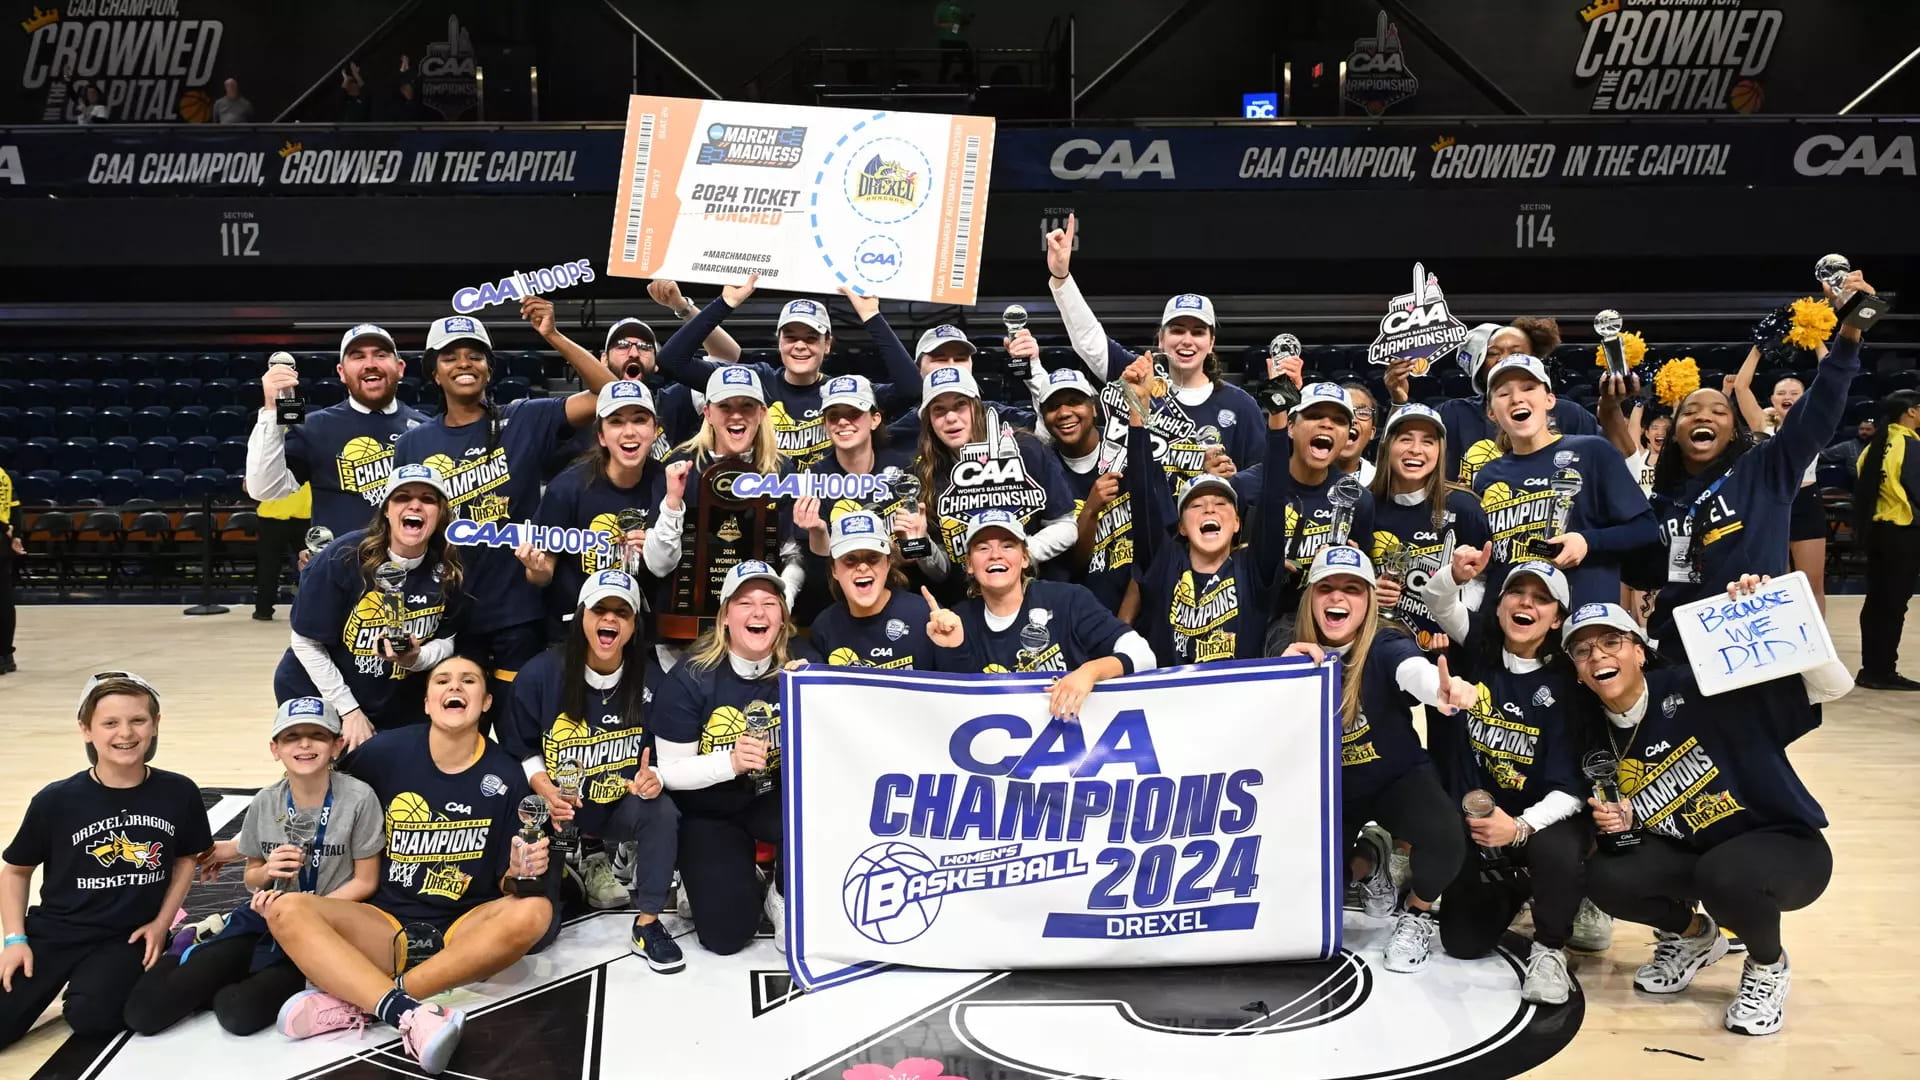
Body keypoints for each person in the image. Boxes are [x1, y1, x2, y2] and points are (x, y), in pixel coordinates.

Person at [269, 654, 556, 1075]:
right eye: (442, 680)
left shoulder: (507, 775)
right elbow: (314, 794)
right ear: (426, 702)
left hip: (462, 929)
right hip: (384, 923)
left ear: (486, 701)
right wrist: (238, 846)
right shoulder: (383, 753)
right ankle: (408, 1011)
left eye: (468, 681)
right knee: (285, 909)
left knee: (536, 911)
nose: (454, 687)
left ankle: (375, 1002)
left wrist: (516, 872)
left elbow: (508, 886)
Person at [1568, 591, 1830, 1037]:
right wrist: (1627, 821)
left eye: (1611, 642)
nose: (1597, 656)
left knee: (1725, 875)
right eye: (1582, 650)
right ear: (1576, 671)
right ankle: (1694, 937)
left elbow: (1828, 687)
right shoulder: (1589, 730)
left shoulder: (1700, 686)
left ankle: (1768, 965)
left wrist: (1772, 611)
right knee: (1606, 875)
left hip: (1785, 847)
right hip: (1698, 855)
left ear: (1640, 651)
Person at [395, 302, 614, 730]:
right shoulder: (412, 444)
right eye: (450, 356)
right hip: (449, 614)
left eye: (475, 355)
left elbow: (610, 394)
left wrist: (552, 335)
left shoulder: (525, 418)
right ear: (433, 373)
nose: (464, 363)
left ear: (490, 369)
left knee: (520, 730)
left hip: (519, 611)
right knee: (460, 731)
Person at [1629, 273, 1868, 660]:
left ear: (1733, 431)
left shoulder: (1766, 467)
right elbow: (1648, 573)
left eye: (1718, 410)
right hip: (1680, 650)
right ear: (1674, 432)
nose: (1704, 416)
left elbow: (1821, 406)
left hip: (1757, 648)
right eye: (1691, 411)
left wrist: (1851, 330)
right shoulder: (1664, 498)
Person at [123, 698, 382, 1036]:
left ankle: (238, 970)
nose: (304, 744)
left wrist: (305, 909)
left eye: (317, 735)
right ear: (275, 748)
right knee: (144, 1013)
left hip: (326, 929)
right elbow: (252, 877)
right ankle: (186, 945)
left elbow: (366, 881)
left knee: (238, 1014)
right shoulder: (266, 801)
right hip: (262, 918)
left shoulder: (359, 799)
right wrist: (267, 872)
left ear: (337, 745)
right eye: (292, 737)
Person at [1281, 547, 1475, 974]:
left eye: (1352, 589)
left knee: (1446, 838)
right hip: (1329, 788)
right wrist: (1282, 676)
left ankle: (1417, 913)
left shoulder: (1386, 641)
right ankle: (1370, 859)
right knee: (1309, 897)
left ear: (1369, 599)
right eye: (1327, 588)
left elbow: (1413, 671)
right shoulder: (1288, 642)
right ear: (1310, 597)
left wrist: (1440, 690)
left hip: (1393, 776)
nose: (1338, 597)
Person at [0, 673, 211, 1049]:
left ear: (155, 724)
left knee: (94, 1018)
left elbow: (185, 858)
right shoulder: (56, 800)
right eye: (110, 723)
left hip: (126, 936)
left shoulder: (179, 792)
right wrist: (15, 939)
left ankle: (157, 953)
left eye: (137, 720)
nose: (125, 733)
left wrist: (161, 924)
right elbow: (16, 872)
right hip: (58, 931)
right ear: (86, 730)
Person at [1420, 560, 1594, 1003]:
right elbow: (1437, 599)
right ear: (1499, 606)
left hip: (1544, 819)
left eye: (1541, 599)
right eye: (1517, 593)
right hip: (1482, 821)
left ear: (1556, 619)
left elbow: (1572, 789)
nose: (1526, 604)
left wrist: (1519, 827)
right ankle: (1519, 885)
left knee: (1555, 849)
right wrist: (1456, 574)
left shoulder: (1568, 684)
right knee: (1463, 942)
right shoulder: (1478, 646)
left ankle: (1550, 946)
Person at [504, 571, 684, 971]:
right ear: (581, 615)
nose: (610, 618)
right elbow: (521, 746)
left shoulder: (653, 679)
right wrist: (546, 789)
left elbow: (665, 751)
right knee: (537, 938)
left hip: (619, 803)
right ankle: (565, 874)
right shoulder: (541, 674)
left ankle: (648, 923)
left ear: (634, 625)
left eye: (622, 612)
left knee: (662, 811)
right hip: (556, 809)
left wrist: (654, 775)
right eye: (600, 609)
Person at [651, 561, 821, 955]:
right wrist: (729, 762)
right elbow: (670, 772)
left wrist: (814, 689)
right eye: (745, 603)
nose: (758, 612)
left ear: (782, 617)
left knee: (819, 804)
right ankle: (705, 875)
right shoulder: (691, 676)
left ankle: (781, 892)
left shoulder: (800, 663)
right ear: (725, 617)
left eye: (769, 603)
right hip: (711, 807)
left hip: (774, 799)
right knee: (726, 936)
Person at [1045, 216, 1266, 486]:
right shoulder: (1138, 380)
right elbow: (1089, 339)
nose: (1187, 340)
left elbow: (1261, 474)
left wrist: (1226, 482)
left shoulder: (1241, 405)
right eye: (1177, 330)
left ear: (1211, 343)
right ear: (1161, 339)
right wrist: (1062, 278)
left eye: (1198, 332)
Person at [273, 464, 467, 745]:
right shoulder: (340, 557)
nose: (415, 505)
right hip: (318, 688)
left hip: (392, 696)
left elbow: (447, 640)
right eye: (402, 497)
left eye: (428, 499)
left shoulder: (450, 566)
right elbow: (305, 642)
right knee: (327, 767)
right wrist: (349, 711)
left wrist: (415, 658)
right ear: (386, 510)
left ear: (441, 513)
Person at [652, 275, 918, 468]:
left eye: (811, 338)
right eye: (790, 337)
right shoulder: (756, 380)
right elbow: (672, 361)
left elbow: (912, 389)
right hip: (766, 506)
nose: (800, 345)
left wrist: (872, 317)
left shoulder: (844, 394)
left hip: (825, 508)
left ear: (827, 346)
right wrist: (725, 302)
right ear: (779, 342)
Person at [1123, 356, 1281, 664]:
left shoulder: (1253, 570)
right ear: (1181, 526)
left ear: (1237, 522)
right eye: (1196, 505)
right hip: (1169, 694)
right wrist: (1138, 409)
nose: (1209, 508)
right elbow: (1142, 492)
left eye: (1221, 503)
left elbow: (1274, 495)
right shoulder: (1163, 564)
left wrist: (1278, 413)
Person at [1472, 355, 1656, 608]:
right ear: (1491, 412)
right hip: (1514, 621)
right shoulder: (1486, 476)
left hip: (1584, 619)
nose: (1516, 398)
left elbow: (1646, 528)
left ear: (1549, 399)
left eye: (1528, 388)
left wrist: (1587, 542)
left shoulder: (1593, 452)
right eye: (1504, 393)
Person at [925, 510, 1156, 701]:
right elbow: (961, 709)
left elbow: (1144, 656)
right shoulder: (958, 621)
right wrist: (954, 649)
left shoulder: (1068, 600)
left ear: (1025, 558)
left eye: (1007, 546)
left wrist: (1091, 672)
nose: (995, 555)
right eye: (983, 548)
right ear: (969, 564)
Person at [526, 380, 689, 637]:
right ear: (601, 436)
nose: (629, 432)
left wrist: (654, 547)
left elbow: (671, 565)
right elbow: (542, 574)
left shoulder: (668, 485)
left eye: (639, 420)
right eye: (616, 422)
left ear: (655, 430)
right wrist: (536, 569)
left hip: (642, 633)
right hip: (576, 632)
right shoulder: (566, 488)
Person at [653, 366, 807, 626]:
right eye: (725, 406)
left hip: (758, 625)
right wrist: (672, 504)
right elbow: (659, 565)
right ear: (707, 413)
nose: (736, 415)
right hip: (685, 626)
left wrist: (783, 601)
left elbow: (793, 555)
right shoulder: (680, 465)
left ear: (762, 413)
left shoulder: (781, 470)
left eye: (747, 406)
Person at [246, 323, 428, 539]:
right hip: (341, 559)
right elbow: (264, 489)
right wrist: (272, 411)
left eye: (380, 355)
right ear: (341, 372)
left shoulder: (425, 429)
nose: (370, 364)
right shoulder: (314, 426)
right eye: (358, 356)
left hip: (409, 558)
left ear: (400, 367)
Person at [915, 366, 1077, 598]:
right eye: (939, 410)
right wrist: (920, 543)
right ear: (929, 420)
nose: (951, 418)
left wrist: (1019, 554)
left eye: (960, 405)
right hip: (969, 603)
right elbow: (942, 572)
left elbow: (1067, 526)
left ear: (977, 407)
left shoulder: (1025, 450)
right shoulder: (927, 473)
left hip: (1034, 595)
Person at [1384, 319, 1600, 486]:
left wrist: (1613, 409)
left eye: (1516, 352)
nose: (1504, 359)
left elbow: (1606, 469)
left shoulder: (1570, 415)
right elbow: (1397, 460)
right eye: (1493, 353)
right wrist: (1399, 401)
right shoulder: (1453, 414)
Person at [1244, 382, 1377, 651]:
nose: (1327, 424)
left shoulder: (1358, 500)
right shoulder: (1246, 487)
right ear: (1291, 427)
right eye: (1315, 416)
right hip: (1250, 623)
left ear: (1347, 435)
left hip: (1320, 635)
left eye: (1339, 421)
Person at [1365, 404, 1489, 652]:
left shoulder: (1463, 506)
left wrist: (1457, 624)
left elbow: (1486, 579)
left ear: (1440, 451)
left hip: (1452, 647)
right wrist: (1368, 591)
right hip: (1381, 644)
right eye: (1405, 439)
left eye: (1428, 441)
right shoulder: (1366, 506)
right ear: (1387, 446)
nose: (1416, 449)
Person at [1731, 352, 1832, 612]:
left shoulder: (1813, 419)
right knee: (1774, 581)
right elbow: (1741, 387)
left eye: (1795, 393)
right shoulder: (1763, 421)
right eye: (1781, 393)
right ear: (1773, 399)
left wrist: (1816, 339)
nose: (1787, 396)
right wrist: (1758, 347)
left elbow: (1832, 377)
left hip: (1805, 501)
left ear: (1805, 397)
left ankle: (1818, 636)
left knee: (1812, 582)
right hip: (1771, 503)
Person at [1036, 368, 1133, 613]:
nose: (1064, 413)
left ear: (1094, 408)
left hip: (1138, 602)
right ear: (1043, 418)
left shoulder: (1129, 450)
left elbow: (1155, 549)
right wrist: (1090, 510)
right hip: (1078, 611)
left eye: (1074, 402)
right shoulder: (1041, 469)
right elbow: (1072, 564)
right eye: (1053, 407)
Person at [1853, 388, 1920, 689]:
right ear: (1911, 411)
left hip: (1877, 532)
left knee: (1876, 602)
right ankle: (1883, 672)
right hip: (1904, 532)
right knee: (1893, 605)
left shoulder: (1874, 447)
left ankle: (1870, 669)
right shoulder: (1910, 445)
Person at [810, 511, 935, 669]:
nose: (863, 567)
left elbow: (957, 679)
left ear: (888, 562)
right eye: (850, 559)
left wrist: (954, 647)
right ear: (834, 570)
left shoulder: (925, 615)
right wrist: (799, 673)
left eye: (873, 557)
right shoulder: (824, 627)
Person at [253, 482, 312, 621]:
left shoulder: (266, 465)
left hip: (272, 514)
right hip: (303, 513)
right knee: (311, 564)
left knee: (268, 565)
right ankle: (313, 609)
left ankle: (263, 610)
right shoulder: (310, 465)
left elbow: (249, 486)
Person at [1338, 382, 1380, 486]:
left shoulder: (1381, 482)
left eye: (1363, 413)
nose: (1352, 419)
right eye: (1344, 410)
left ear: (1372, 432)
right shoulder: (1301, 475)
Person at [0, 464, 18, 675]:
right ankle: (5, 654)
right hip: (2, 543)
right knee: (4, 599)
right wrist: (15, 534)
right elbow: (15, 507)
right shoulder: (3, 474)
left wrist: (5, 528)